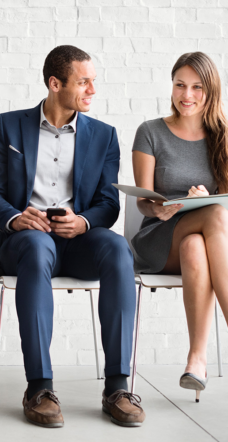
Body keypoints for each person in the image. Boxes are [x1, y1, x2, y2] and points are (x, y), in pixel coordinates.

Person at [0, 45, 146, 428]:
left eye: (93, 81)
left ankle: (118, 386)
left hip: (78, 240)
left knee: (118, 248)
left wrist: (84, 222)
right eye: (83, 81)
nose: (91, 90)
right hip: (25, 241)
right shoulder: (9, 126)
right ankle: (39, 386)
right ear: (55, 84)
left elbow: (108, 202)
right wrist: (16, 218)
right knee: (38, 248)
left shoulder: (104, 135)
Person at [131, 52, 228, 402]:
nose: (187, 94)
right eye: (180, 85)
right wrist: (161, 208)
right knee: (215, 216)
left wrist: (204, 197)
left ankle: (196, 361)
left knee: (198, 240)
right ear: (171, 86)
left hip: (200, 241)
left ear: (210, 90)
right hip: (157, 238)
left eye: (197, 87)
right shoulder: (151, 132)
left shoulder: (223, 136)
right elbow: (142, 199)